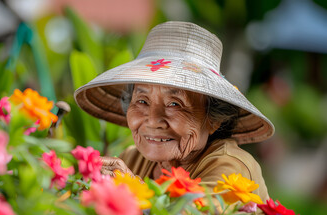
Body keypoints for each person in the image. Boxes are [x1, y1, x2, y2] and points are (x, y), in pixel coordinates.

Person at [74, 21, 274, 203]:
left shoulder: (232, 167)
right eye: (142, 101)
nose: (153, 121)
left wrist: (130, 186)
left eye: (174, 104)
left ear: (213, 119)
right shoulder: (133, 158)